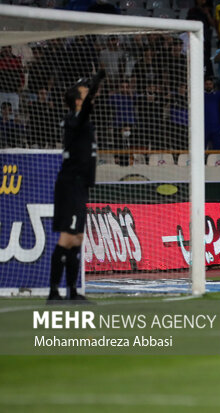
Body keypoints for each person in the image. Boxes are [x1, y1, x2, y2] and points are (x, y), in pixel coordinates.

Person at [47, 69, 105, 303]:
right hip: (70, 185)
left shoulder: (82, 122)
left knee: (78, 238)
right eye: (85, 95)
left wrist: (93, 84)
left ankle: (72, 291)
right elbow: (88, 107)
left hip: (80, 186)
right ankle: (53, 292)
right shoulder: (73, 120)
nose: (89, 97)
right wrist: (96, 82)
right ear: (78, 101)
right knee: (67, 238)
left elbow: (89, 103)